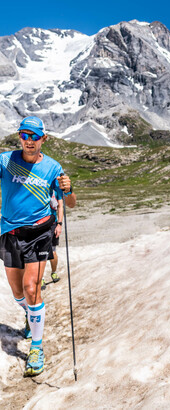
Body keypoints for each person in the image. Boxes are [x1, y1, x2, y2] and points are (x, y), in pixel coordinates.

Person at [0, 116, 76, 377]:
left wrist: (69, 189)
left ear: (44, 138)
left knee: (32, 288)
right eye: (24, 135)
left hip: (40, 232)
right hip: (10, 230)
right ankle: (30, 316)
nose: (29, 141)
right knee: (17, 291)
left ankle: (36, 347)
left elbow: (72, 203)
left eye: (34, 136)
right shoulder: (6, 160)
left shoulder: (54, 168)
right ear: (19, 136)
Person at [41, 188, 63, 289]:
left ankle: (54, 273)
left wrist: (59, 224)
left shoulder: (57, 189)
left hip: (53, 223)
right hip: (40, 223)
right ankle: (40, 278)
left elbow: (60, 206)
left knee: (53, 251)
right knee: (41, 252)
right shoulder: (40, 185)